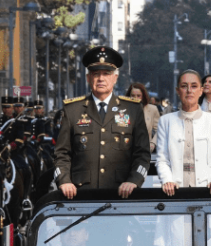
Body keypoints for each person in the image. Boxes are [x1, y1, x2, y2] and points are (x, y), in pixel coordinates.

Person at [53, 45, 151, 199]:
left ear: (115, 77)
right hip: (81, 196)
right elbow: (62, 153)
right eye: (95, 74)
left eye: (106, 74)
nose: (100, 79)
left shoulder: (132, 109)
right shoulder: (73, 110)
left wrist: (134, 181)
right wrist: (64, 181)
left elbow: (142, 154)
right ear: (88, 78)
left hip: (121, 195)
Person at [155, 70, 211, 196]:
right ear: (178, 91)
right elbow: (162, 160)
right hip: (175, 193)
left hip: (207, 192)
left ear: (201, 91)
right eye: (184, 86)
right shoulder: (165, 121)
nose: (189, 90)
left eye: (194, 86)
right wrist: (167, 181)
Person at [127, 82, 160, 148]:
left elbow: (159, 130)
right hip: (127, 150)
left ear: (143, 96)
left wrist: (153, 143)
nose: (135, 98)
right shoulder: (123, 109)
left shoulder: (152, 109)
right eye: (133, 95)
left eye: (138, 96)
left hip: (145, 149)